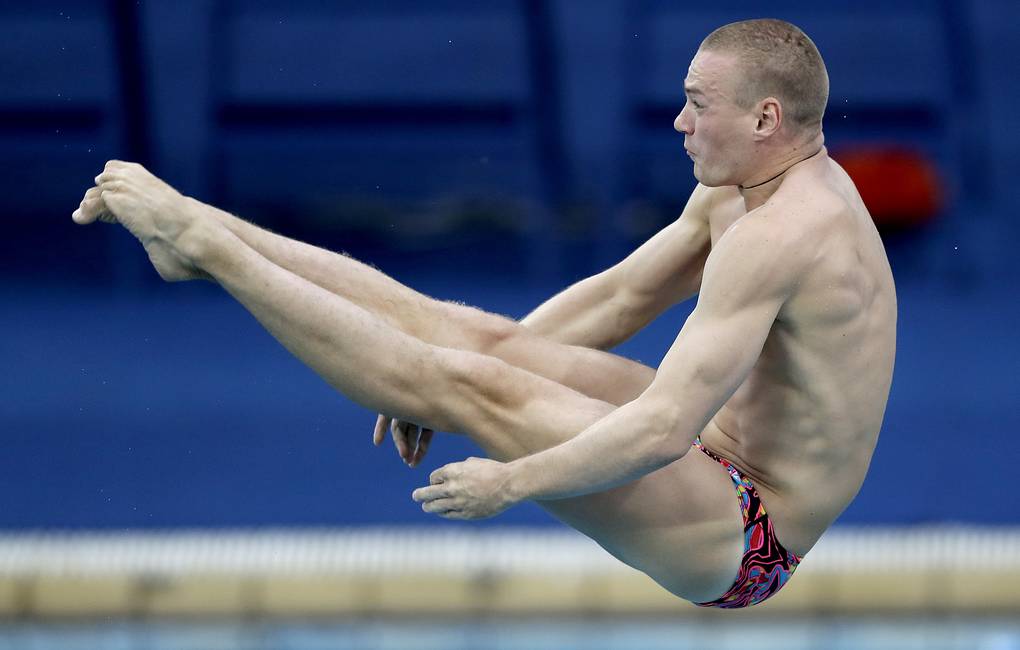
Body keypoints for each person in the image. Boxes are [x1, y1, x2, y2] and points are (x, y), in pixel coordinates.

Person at [71, 18, 896, 609]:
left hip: (747, 534)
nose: (679, 121)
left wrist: (512, 478)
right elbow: (618, 297)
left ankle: (201, 247)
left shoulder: (785, 233)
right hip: (715, 457)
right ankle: (201, 223)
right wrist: (477, 375)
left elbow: (660, 431)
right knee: (475, 339)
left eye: (696, 104)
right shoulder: (741, 191)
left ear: (765, 119)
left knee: (462, 381)